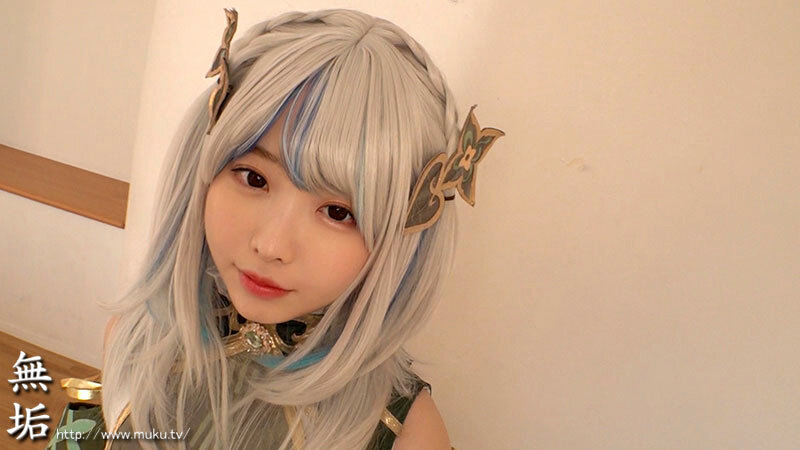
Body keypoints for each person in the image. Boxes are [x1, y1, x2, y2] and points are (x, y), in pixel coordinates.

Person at [97, 8, 503, 449]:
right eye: (254, 178)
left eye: (338, 213)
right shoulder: (136, 339)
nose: (271, 245)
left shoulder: (407, 435)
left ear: (403, 235)